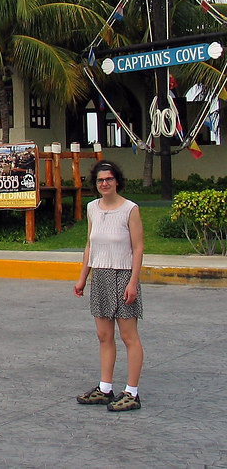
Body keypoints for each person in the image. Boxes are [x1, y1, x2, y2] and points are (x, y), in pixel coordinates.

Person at [73, 160, 144, 411]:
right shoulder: (92, 208)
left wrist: (133, 281)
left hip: (123, 275)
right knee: (104, 335)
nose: (104, 183)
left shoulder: (130, 209)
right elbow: (90, 245)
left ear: (117, 181)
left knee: (128, 336)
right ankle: (105, 388)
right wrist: (83, 277)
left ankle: (132, 392)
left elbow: (138, 248)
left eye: (109, 179)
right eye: (100, 180)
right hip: (100, 276)